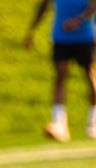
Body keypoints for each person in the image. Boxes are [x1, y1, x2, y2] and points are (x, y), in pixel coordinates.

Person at [24, 0, 96, 141]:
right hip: (61, 37)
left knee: (89, 75)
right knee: (60, 77)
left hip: (84, 37)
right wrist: (31, 31)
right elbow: (43, 6)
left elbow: (93, 6)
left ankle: (93, 122)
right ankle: (59, 123)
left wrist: (78, 20)